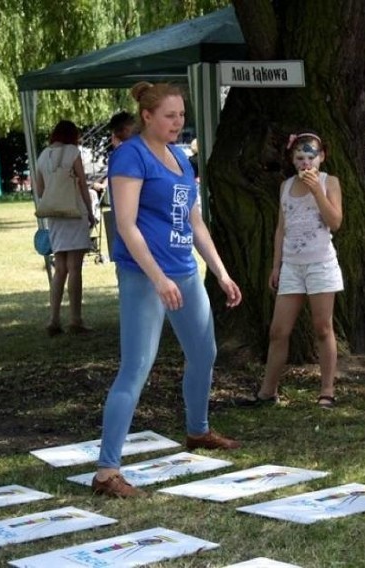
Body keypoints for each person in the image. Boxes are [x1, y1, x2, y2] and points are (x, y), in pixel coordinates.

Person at [92, 82, 243, 498]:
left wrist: (221, 272)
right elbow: (125, 224)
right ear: (147, 116)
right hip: (144, 276)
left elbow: (194, 222)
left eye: (181, 115)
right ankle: (106, 472)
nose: (178, 123)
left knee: (204, 353)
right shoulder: (130, 155)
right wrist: (158, 278)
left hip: (185, 272)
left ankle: (198, 431)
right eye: (170, 116)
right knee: (136, 367)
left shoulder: (179, 157)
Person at [237, 132, 343, 409]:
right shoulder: (285, 186)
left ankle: (327, 390)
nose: (306, 163)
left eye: (311, 157)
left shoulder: (328, 182)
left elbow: (335, 221)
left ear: (322, 157)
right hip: (292, 266)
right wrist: (276, 265)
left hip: (320, 263)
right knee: (278, 330)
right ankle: (267, 391)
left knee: (322, 327)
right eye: (300, 158)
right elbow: (281, 229)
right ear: (291, 159)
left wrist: (317, 191)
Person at [35, 120, 97, 336]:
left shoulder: (42, 155)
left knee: (59, 268)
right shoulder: (72, 152)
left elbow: (40, 190)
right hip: (74, 211)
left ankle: (53, 318)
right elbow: (82, 183)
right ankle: (75, 318)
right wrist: (90, 212)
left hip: (54, 215)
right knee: (75, 268)